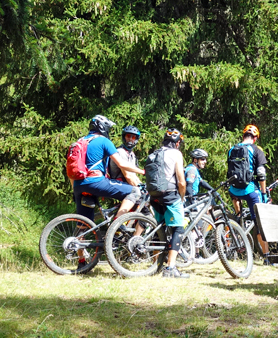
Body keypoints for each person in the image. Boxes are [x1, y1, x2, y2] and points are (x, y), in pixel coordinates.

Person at [70, 117, 144, 222]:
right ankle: (117, 223)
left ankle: (78, 237)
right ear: (102, 127)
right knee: (135, 191)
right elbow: (121, 164)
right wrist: (142, 171)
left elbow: (71, 169)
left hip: (78, 185)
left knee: (84, 224)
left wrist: (75, 189)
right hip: (96, 182)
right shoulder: (104, 141)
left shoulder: (79, 142)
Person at [148, 128, 190, 279]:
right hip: (170, 195)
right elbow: (181, 181)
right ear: (177, 143)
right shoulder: (176, 153)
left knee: (160, 229)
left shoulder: (156, 153)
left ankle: (154, 265)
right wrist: (182, 196)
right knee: (178, 229)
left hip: (155, 195)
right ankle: (170, 268)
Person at [226, 124, 270, 259]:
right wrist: (263, 193)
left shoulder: (232, 149)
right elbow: (261, 174)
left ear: (243, 136)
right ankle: (267, 256)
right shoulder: (256, 150)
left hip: (233, 190)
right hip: (250, 190)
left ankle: (239, 220)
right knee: (259, 222)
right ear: (255, 138)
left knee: (236, 200)